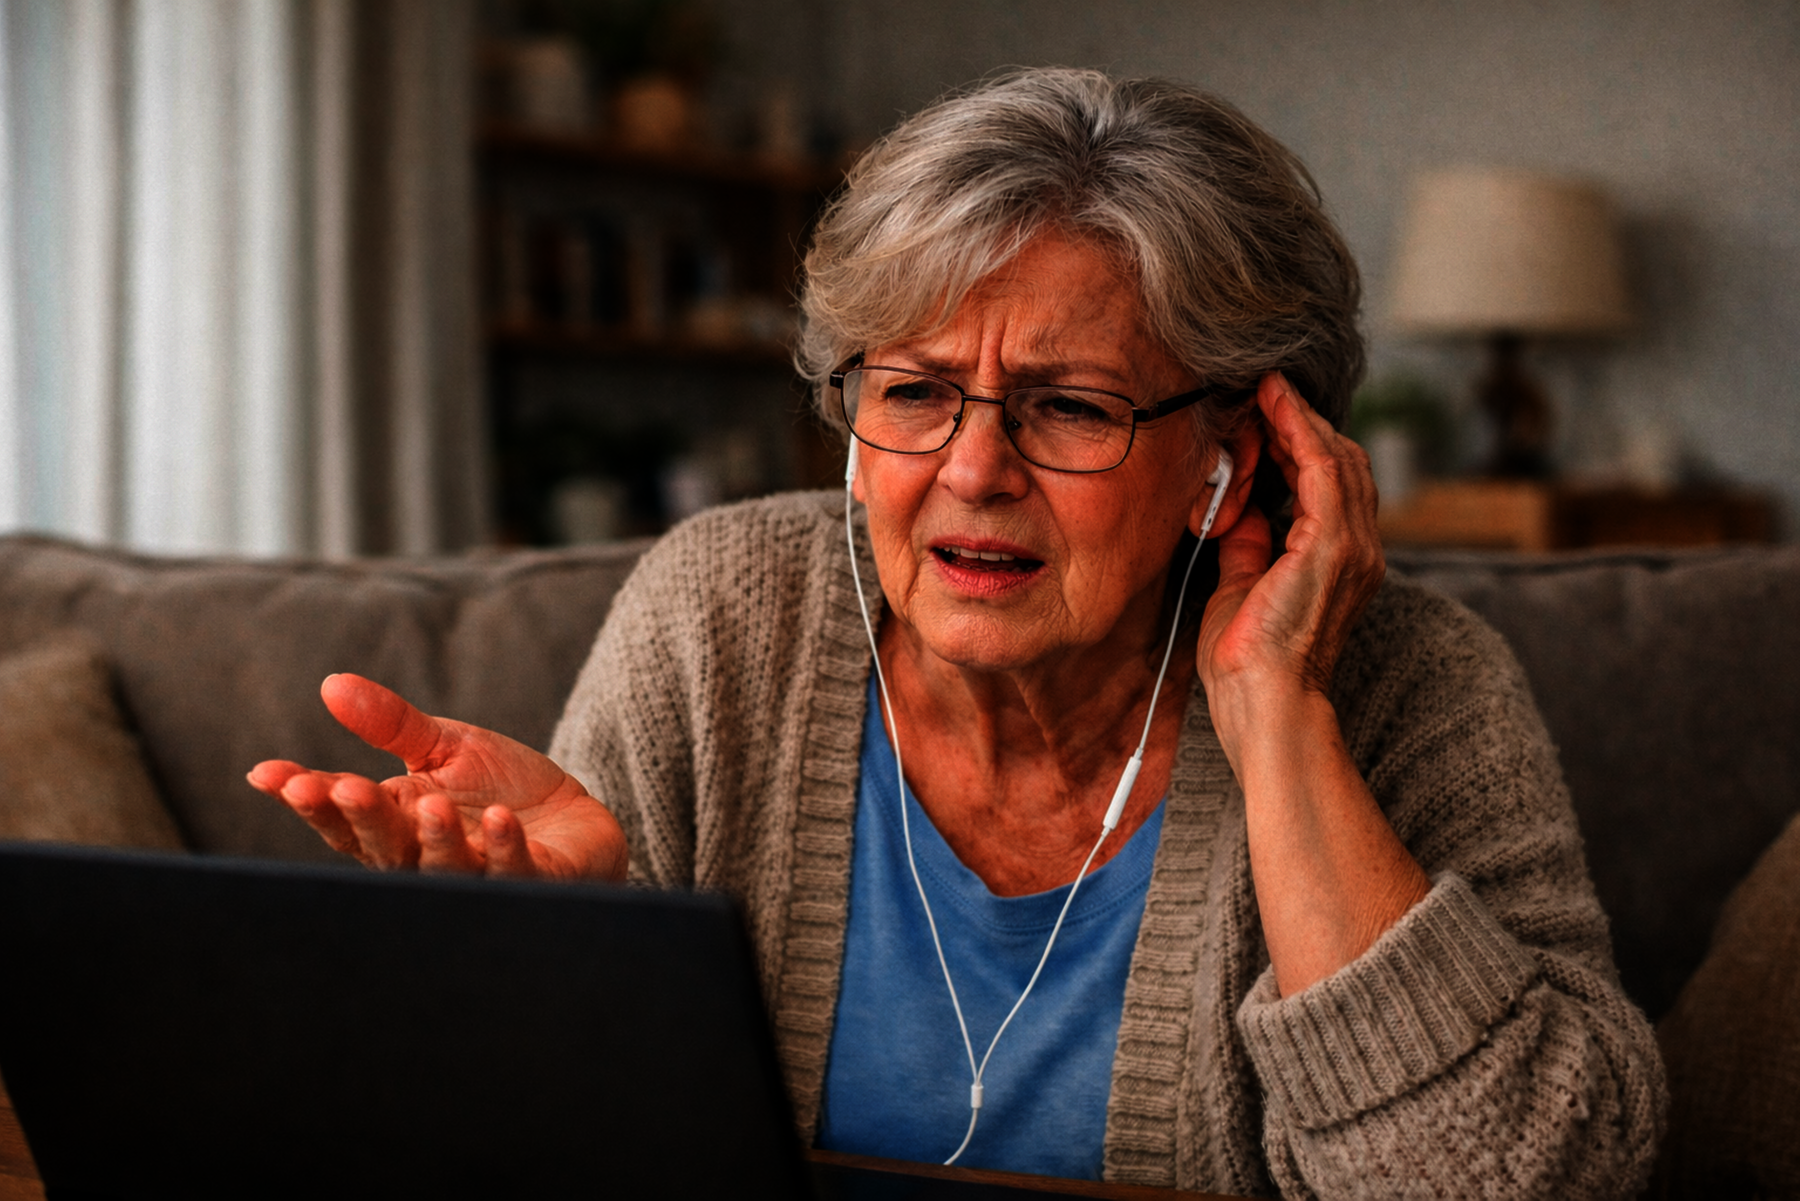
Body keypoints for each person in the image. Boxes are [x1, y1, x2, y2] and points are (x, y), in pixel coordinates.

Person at [249, 68, 1665, 1198]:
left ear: (1232, 459)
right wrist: (537, 963)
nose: (973, 471)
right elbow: (529, 1148)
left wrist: (1280, 719)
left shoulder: (1409, 687)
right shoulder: (720, 618)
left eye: (1069, 406)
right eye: (917, 392)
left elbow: (1518, 1178)